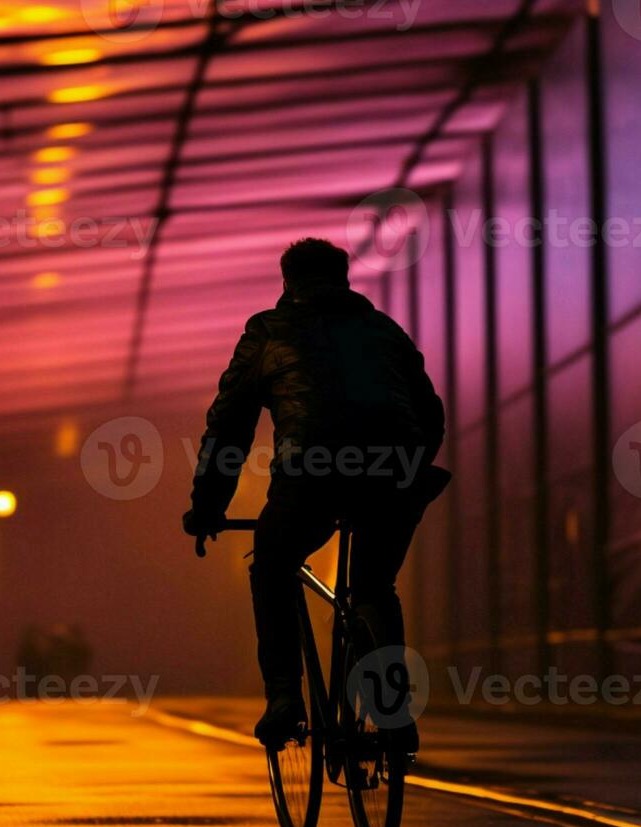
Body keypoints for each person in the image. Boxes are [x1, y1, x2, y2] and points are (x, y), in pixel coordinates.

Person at [182, 238, 446, 751]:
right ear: (344, 279)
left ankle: (284, 699)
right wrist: (412, 466)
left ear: (288, 283)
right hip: (396, 472)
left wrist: (208, 507)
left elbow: (229, 427)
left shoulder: (267, 331)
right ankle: (392, 711)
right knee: (374, 588)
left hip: (312, 473)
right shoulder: (383, 329)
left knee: (273, 566)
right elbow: (429, 412)